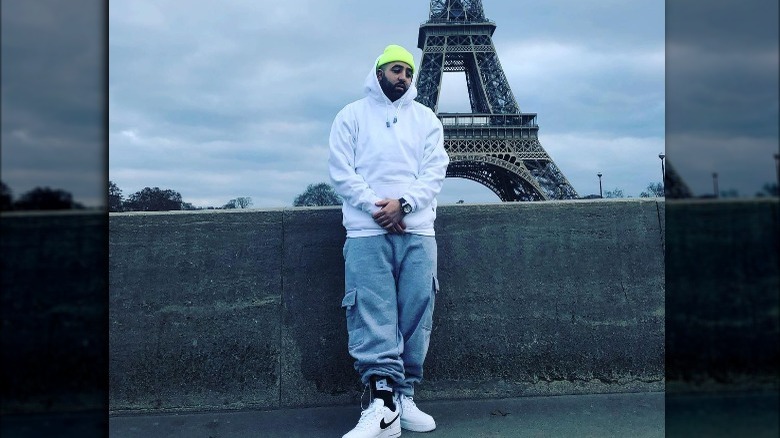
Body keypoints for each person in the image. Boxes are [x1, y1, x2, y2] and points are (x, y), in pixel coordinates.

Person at [329, 44, 449, 438]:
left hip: (417, 230)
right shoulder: (351, 116)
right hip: (367, 231)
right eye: (396, 69)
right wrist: (379, 208)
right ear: (379, 71)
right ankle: (382, 402)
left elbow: (435, 170)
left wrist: (405, 205)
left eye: (408, 72)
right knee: (371, 314)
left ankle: (404, 396)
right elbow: (341, 171)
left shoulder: (427, 119)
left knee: (417, 313)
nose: (403, 77)